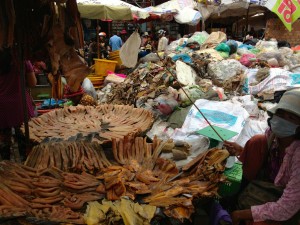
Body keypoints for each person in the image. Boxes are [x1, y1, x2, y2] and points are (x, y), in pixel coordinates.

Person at [224, 88, 300, 225]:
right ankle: (240, 194)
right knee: (256, 142)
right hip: (274, 187)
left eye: (291, 118)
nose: (283, 120)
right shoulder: (273, 136)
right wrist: (241, 150)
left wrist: (241, 214)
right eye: (281, 114)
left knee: (257, 222)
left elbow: (287, 207)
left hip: (293, 204)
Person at [0, 47, 37, 160]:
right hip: (20, 108)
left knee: (3, 144)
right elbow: (33, 83)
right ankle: (25, 169)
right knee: (24, 144)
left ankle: (6, 170)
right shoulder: (22, 61)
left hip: (2, 109)